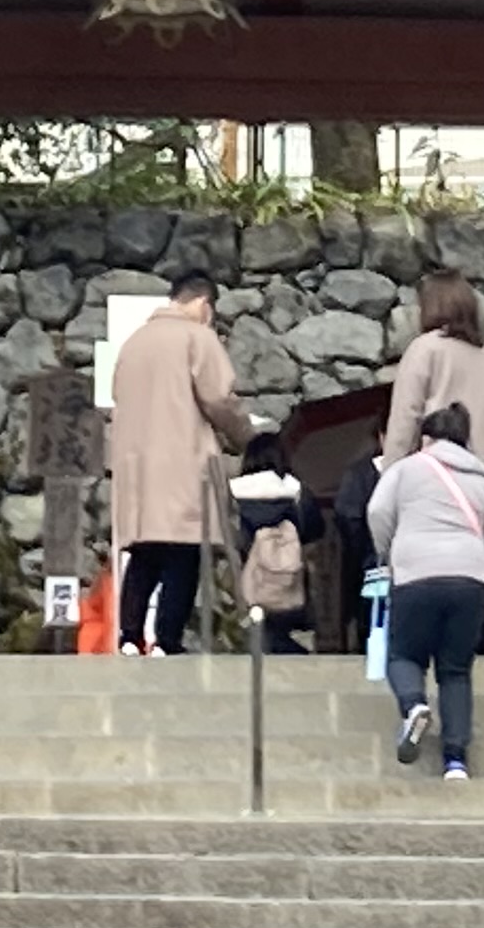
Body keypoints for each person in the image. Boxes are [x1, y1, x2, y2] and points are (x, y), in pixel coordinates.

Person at [105, 272, 247, 654]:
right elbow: (219, 399)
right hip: (183, 462)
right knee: (184, 551)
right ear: (203, 304)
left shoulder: (133, 344)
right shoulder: (196, 337)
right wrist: (247, 437)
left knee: (145, 551)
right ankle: (168, 639)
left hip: (138, 466)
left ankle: (130, 637)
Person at [367, 402, 484, 783]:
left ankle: (414, 706)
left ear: (427, 438)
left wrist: (391, 551)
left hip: (415, 575)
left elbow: (377, 512)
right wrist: (476, 566)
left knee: (403, 654)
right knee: (456, 670)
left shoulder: (406, 470)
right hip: (469, 581)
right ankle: (456, 761)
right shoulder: (482, 481)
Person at [380, 270, 484, 468]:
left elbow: (404, 421)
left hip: (436, 474)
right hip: (480, 480)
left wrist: (390, 476)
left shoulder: (424, 349)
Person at [228, 428, 324, 652]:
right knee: (290, 640)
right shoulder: (296, 491)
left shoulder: (235, 495)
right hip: (291, 582)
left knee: (258, 639)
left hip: (252, 584)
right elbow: (316, 528)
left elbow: (234, 538)